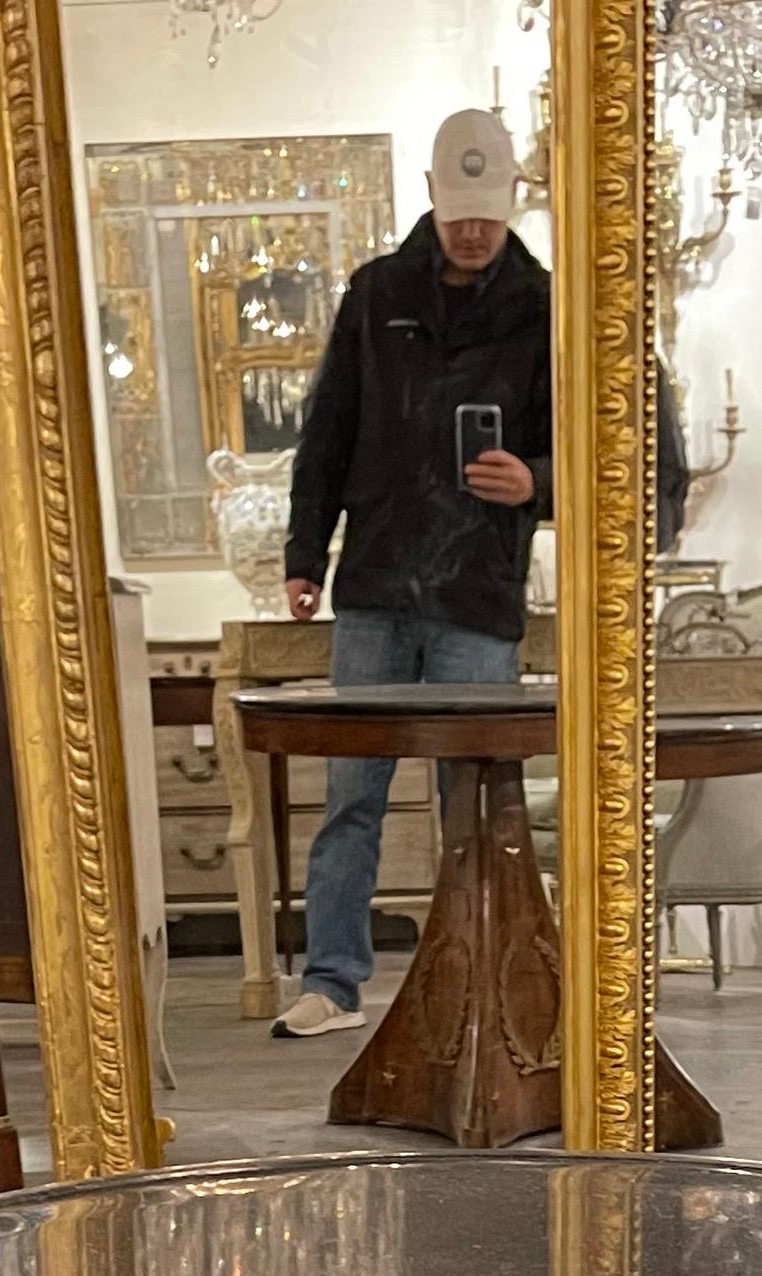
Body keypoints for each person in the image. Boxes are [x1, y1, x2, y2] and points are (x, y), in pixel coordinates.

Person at [268, 113, 549, 1043]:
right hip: (379, 583)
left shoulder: (549, 305)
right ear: (431, 194)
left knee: (473, 799)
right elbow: (328, 431)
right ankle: (333, 980)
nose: (472, 230)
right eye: (458, 210)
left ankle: (476, 976)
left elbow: (601, 442)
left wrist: (533, 483)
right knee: (354, 792)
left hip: (478, 592)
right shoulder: (375, 292)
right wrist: (305, 556)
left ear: (513, 199)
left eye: (489, 213)